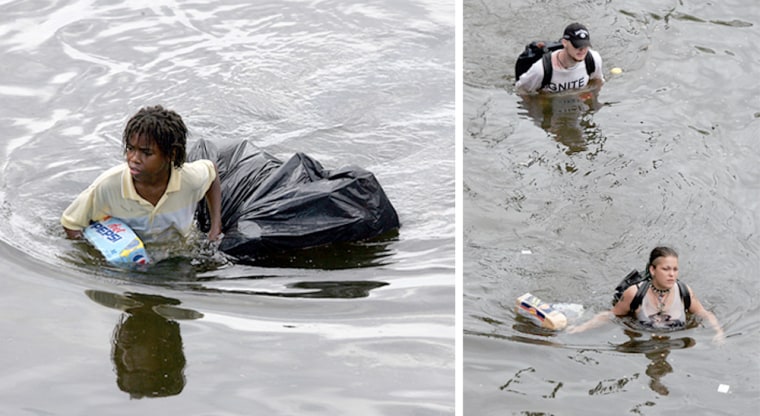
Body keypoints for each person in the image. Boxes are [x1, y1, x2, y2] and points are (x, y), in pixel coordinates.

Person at [61, 105, 222, 244]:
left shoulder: (189, 178)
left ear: (171, 154)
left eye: (146, 152)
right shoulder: (108, 186)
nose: (134, 159)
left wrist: (215, 228)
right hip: (131, 261)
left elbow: (212, 172)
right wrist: (97, 253)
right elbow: (71, 222)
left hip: (177, 252)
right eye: (130, 149)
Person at [567, 247, 725, 344]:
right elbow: (611, 315)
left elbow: (704, 313)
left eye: (675, 269)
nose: (672, 274)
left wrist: (718, 333)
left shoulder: (685, 292)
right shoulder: (634, 293)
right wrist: (582, 328)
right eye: (666, 269)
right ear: (652, 270)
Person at [515, 23, 604, 94]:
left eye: (585, 45)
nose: (582, 50)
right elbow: (522, 91)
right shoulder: (541, 70)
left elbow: (597, 81)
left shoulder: (593, 60)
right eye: (577, 45)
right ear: (564, 43)